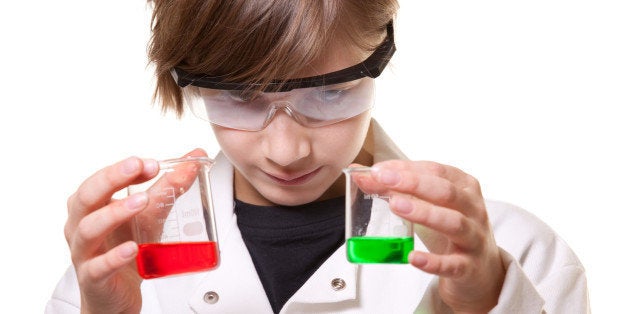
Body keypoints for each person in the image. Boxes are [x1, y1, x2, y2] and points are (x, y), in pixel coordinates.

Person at [46, 0, 590, 313]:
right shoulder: (118, 271)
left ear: (380, 57)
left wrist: (482, 305)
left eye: (329, 93)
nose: (286, 151)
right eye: (239, 97)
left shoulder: (519, 255)